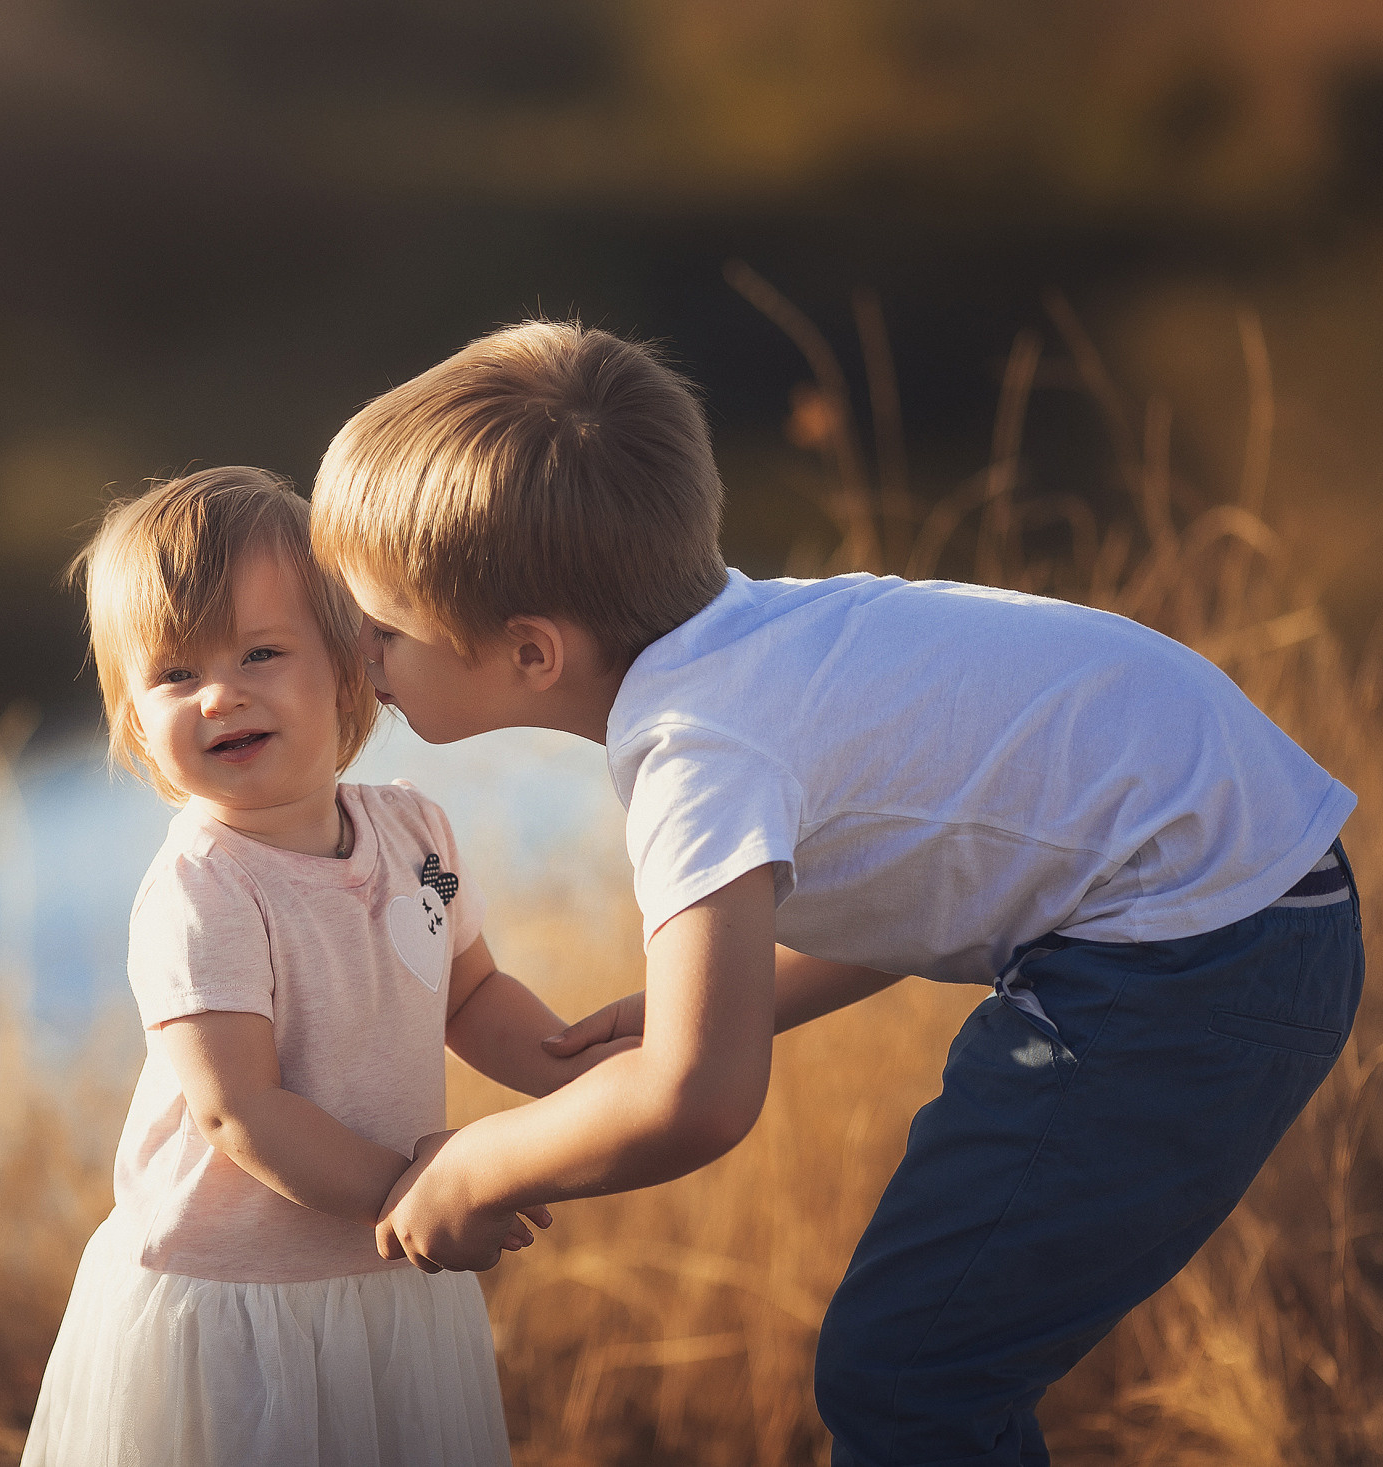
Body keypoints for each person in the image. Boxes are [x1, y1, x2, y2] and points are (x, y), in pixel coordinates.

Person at [307, 320, 1363, 1466]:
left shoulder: (695, 749)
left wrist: (475, 1165)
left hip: (1194, 954)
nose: (357, 654)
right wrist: (723, 999)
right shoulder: (760, 643)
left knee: (907, 1372)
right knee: (920, 1361)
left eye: (383, 629)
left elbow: (696, 1104)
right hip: (1247, 900)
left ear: (531, 654)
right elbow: (942, 870)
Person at [23, 466, 633, 1467]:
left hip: (382, 1273)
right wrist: (410, 1195)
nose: (220, 692)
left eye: (261, 652)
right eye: (173, 675)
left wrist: (575, 1071)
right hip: (241, 1305)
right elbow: (240, 1111)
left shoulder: (415, 831)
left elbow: (468, 992)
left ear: (350, 667)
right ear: (133, 717)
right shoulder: (206, 887)